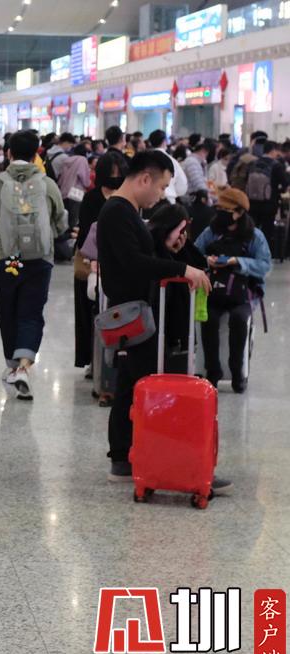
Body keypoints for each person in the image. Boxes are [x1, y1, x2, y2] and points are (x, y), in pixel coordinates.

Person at [95, 150, 216, 483]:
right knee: (145, 386)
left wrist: (172, 253)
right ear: (144, 179)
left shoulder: (127, 211)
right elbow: (134, 263)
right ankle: (152, 459)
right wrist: (182, 269)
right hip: (133, 313)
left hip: (138, 312)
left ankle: (125, 456)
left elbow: (140, 256)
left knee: (131, 384)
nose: (161, 195)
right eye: (161, 187)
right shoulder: (117, 212)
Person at [0, 131, 67, 400]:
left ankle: (13, 365)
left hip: (9, 259)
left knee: (8, 311)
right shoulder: (47, 184)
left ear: (8, 153)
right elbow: (61, 221)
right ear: (36, 154)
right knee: (31, 313)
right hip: (39, 260)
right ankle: (24, 367)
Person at [195, 188, 272, 392]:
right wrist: (207, 260)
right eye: (219, 209)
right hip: (214, 291)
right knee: (208, 318)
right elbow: (193, 254)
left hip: (244, 294)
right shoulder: (211, 232)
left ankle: (237, 371)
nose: (221, 213)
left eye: (226, 210)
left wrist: (237, 261)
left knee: (239, 319)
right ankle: (212, 370)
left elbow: (265, 266)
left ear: (239, 212)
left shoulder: (255, 236)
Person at [74, 151, 127, 373]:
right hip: (91, 262)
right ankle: (92, 360)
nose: (115, 178)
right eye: (112, 173)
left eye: (119, 173)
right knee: (88, 312)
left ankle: (113, 359)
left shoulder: (126, 197)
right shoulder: (92, 198)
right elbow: (85, 232)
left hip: (118, 263)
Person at [147, 203, 208, 374]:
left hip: (171, 330)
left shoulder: (175, 251)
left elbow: (198, 264)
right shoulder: (149, 249)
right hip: (153, 325)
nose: (182, 236)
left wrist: (176, 250)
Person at [246, 140, 289, 255]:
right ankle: (264, 254)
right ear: (273, 151)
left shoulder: (253, 163)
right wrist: (280, 190)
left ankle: (250, 252)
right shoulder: (276, 165)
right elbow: (285, 183)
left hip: (252, 203)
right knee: (267, 231)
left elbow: (246, 181)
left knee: (252, 229)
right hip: (269, 203)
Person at [147, 130, 187, 204]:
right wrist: (172, 190)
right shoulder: (172, 161)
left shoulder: (145, 159)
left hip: (147, 200)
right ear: (164, 141)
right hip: (169, 199)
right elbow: (182, 185)